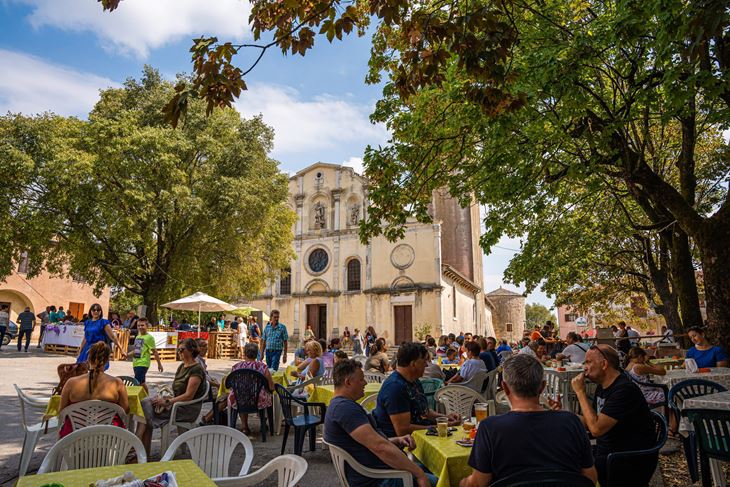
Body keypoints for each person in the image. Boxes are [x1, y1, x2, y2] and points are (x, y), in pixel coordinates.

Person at [459, 354, 596, 487]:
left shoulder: (489, 428)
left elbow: (477, 484)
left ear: (505, 388)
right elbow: (590, 478)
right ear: (542, 387)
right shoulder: (571, 422)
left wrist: (460, 483)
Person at [324, 359, 438, 487]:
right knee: (443, 482)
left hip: (378, 472)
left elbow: (367, 442)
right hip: (379, 479)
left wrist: (397, 440)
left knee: (432, 467)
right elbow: (380, 447)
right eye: (361, 379)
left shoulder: (341, 405)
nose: (365, 383)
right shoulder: (344, 409)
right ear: (348, 382)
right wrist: (419, 474)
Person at [570, 344, 657, 486]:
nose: (584, 367)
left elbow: (596, 429)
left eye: (588, 362)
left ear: (604, 364)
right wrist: (562, 414)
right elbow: (591, 421)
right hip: (608, 453)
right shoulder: (603, 387)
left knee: (567, 470)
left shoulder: (624, 390)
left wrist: (580, 392)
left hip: (627, 461)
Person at [137, 338, 207, 456]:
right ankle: (141, 449)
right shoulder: (182, 367)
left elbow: (189, 396)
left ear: (191, 350)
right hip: (176, 403)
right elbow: (176, 390)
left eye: (181, 349)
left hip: (186, 409)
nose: (178, 352)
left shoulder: (196, 369)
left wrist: (167, 401)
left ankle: (138, 445)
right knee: (146, 404)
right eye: (178, 349)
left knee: (146, 408)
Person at [373, 342, 460, 437]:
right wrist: (439, 427)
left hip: (421, 436)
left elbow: (424, 412)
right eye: (424, 361)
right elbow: (403, 430)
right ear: (413, 364)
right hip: (403, 445)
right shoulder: (395, 387)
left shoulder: (414, 380)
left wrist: (445, 418)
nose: (426, 365)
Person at [59, 342, 129, 437]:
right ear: (107, 360)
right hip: (109, 437)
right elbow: (125, 410)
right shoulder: (117, 383)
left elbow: (62, 411)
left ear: (88, 359)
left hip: (74, 437)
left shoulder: (71, 383)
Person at [226, 343, 275, 435]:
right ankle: (263, 423)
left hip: (239, 400)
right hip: (258, 401)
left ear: (244, 353)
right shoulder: (262, 367)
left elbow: (228, 385)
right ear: (257, 354)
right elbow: (271, 386)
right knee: (268, 395)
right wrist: (270, 390)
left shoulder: (236, 367)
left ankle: (245, 427)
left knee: (241, 395)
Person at [131, 318, 163, 392]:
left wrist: (159, 364)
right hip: (136, 363)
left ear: (147, 326)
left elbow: (155, 352)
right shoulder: (138, 337)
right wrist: (127, 354)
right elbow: (136, 350)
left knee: (137, 382)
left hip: (143, 363)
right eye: (138, 325)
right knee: (141, 382)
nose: (140, 327)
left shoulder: (149, 338)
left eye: (142, 325)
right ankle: (146, 396)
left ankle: (140, 397)